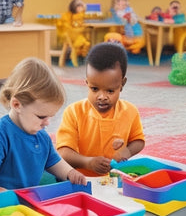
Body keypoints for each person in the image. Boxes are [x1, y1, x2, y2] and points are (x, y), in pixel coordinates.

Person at [0, 58, 87, 195]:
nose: (47, 123)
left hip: (27, 197)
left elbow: (54, 162)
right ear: (17, 105)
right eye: (41, 117)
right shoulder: (0, 134)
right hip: (2, 199)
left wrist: (70, 173)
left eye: (50, 117)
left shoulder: (42, 137)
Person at [56, 42, 145, 177]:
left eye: (110, 91)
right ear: (87, 83)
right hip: (80, 179)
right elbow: (63, 152)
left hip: (115, 178)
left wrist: (127, 151)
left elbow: (138, 141)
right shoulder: (74, 112)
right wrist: (88, 163)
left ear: (121, 85)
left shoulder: (130, 111)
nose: (102, 97)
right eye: (94, 89)